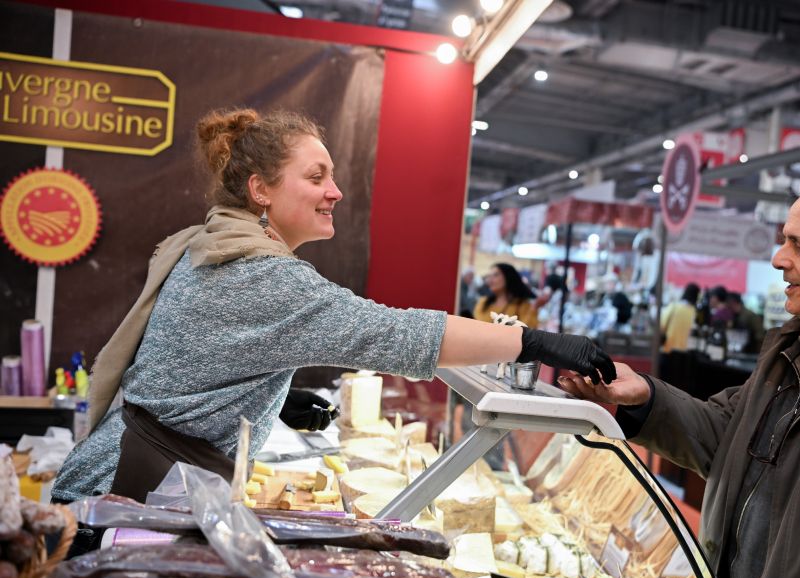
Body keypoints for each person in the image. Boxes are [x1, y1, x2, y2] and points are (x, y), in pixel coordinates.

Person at [51, 108, 615, 507]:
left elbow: (187, 364)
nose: (335, 191)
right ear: (261, 190)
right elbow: (396, 333)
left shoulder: (212, 243)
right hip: (123, 500)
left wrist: (265, 394)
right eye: (316, 177)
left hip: (117, 482)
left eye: (333, 176)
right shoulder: (261, 275)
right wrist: (532, 342)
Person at [559, 173, 800, 578]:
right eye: (784, 240)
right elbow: (729, 437)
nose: (779, 259)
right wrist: (647, 398)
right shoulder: (795, 347)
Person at [473, 263, 540, 328]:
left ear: (508, 277)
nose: (490, 279)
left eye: (496, 275)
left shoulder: (522, 305)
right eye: (489, 276)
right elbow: (475, 325)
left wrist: (534, 308)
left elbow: (528, 332)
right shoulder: (483, 302)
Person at [659, 283, 699, 352]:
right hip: (683, 351)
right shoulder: (694, 312)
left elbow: (661, 324)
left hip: (667, 347)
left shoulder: (673, 307)